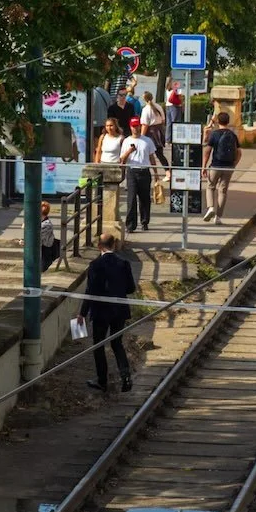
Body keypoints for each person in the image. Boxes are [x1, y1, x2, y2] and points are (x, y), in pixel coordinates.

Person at [83, 232, 136, 392]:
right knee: (117, 343)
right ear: (113, 245)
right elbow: (131, 288)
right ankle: (125, 377)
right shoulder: (124, 263)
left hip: (101, 311)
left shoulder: (95, 265)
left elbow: (90, 291)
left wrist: (82, 313)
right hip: (119, 310)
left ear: (99, 246)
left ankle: (102, 380)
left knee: (98, 345)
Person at [120, 118, 159, 233]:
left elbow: (152, 158)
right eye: (133, 126)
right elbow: (122, 159)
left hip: (144, 171)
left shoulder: (147, 140)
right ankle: (130, 225)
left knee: (145, 199)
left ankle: (144, 221)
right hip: (132, 171)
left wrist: (156, 173)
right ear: (130, 127)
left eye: (137, 126)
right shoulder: (127, 141)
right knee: (131, 199)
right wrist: (129, 151)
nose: (135, 128)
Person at [203, 111, 242, 223]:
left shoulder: (215, 134)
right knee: (223, 191)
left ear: (218, 122)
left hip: (216, 165)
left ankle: (210, 208)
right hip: (229, 167)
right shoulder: (233, 135)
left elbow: (207, 151)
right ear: (228, 122)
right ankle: (218, 217)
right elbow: (239, 152)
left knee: (210, 187)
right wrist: (234, 164)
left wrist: (204, 166)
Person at [141, 97, 169, 165]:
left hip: (150, 132)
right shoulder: (158, 106)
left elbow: (145, 124)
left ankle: (149, 169)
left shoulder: (146, 109)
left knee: (146, 153)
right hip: (159, 130)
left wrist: (141, 136)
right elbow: (163, 120)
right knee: (159, 154)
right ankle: (167, 171)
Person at [39, 201, 61, 270]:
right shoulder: (43, 223)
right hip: (42, 251)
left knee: (43, 269)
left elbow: (37, 236)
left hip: (45, 252)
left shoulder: (46, 224)